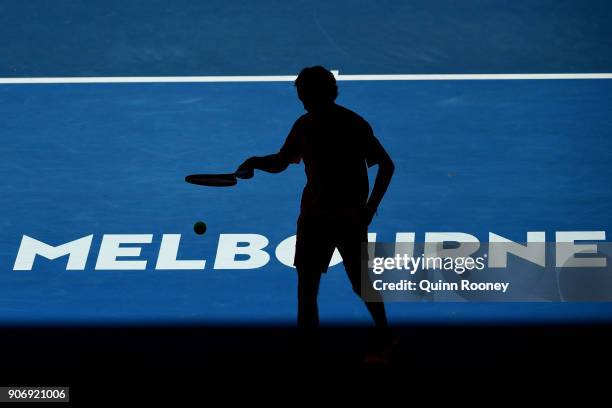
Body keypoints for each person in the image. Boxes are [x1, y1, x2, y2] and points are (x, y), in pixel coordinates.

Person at [237, 66, 395, 340]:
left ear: (318, 94)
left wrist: (368, 210)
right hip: (329, 218)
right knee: (328, 287)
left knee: (328, 287)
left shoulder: (317, 125)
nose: (301, 99)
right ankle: (378, 340)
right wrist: (254, 162)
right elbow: (280, 162)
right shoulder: (344, 123)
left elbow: (279, 163)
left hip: (333, 218)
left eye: (304, 93)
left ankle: (379, 338)